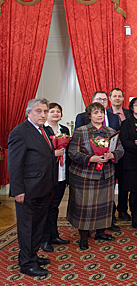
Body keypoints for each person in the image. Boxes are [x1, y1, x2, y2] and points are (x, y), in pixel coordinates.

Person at [8, 98, 56, 277]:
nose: (43, 115)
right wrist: (17, 190)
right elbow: (14, 165)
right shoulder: (20, 132)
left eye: (45, 111)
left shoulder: (45, 130)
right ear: (28, 112)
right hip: (27, 190)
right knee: (27, 228)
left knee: (38, 226)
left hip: (43, 188)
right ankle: (27, 264)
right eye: (38, 111)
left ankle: (32, 256)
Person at [67, 102, 124, 250]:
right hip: (85, 176)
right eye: (96, 112)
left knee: (104, 206)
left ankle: (101, 232)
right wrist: (91, 159)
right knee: (85, 207)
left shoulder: (111, 131)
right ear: (89, 115)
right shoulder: (81, 131)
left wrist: (113, 154)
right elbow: (72, 152)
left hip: (106, 174)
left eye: (101, 112)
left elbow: (120, 149)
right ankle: (84, 237)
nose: (99, 115)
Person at [41, 103, 71, 253]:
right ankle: (44, 239)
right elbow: (39, 154)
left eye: (58, 111)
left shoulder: (64, 130)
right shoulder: (42, 130)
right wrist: (53, 154)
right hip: (48, 176)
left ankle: (54, 235)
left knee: (54, 207)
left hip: (61, 174)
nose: (55, 113)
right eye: (52, 111)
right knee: (46, 208)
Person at [119, 97, 137, 229]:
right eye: (136, 105)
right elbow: (124, 142)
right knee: (134, 191)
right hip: (131, 162)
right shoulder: (126, 123)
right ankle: (135, 218)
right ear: (131, 107)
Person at [107, 88, 132, 222]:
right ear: (110, 98)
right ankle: (110, 210)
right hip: (110, 155)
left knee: (124, 184)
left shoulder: (129, 113)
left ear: (123, 98)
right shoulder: (105, 114)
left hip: (127, 154)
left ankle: (123, 209)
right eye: (114, 96)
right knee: (110, 184)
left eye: (119, 96)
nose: (117, 98)